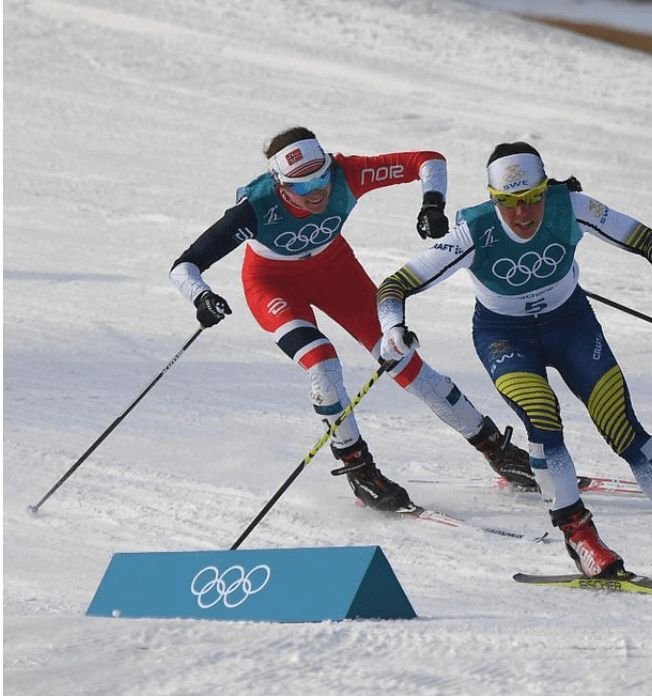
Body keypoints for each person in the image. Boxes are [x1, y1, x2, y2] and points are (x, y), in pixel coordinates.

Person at [376, 141, 652, 578]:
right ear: (493, 200)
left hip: (571, 326)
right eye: (509, 204)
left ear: (546, 189)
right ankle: (580, 538)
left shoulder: (569, 206)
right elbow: (395, 286)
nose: (523, 213)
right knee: (542, 419)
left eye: (532, 198)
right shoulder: (473, 230)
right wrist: (393, 328)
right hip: (505, 337)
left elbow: (650, 240)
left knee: (622, 426)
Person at [169, 126, 534, 512]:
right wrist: (202, 297)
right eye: (301, 186)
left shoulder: (347, 174)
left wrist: (432, 204)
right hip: (272, 285)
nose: (317, 192)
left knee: (403, 360)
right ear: (279, 186)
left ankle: (495, 449)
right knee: (323, 365)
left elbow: (428, 161)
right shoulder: (255, 208)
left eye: (321, 177)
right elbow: (185, 265)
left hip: (336, 273)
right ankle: (359, 470)